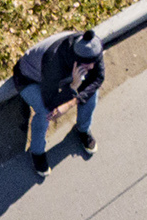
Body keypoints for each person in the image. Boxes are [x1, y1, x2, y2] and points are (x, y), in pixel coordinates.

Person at [14, 28, 104, 177]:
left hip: (63, 78)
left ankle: (82, 129)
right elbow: (50, 103)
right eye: (87, 65)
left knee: (91, 93)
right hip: (28, 79)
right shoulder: (54, 62)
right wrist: (72, 88)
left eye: (94, 62)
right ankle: (37, 151)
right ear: (76, 60)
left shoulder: (92, 50)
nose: (92, 67)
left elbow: (98, 78)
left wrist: (70, 102)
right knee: (45, 112)